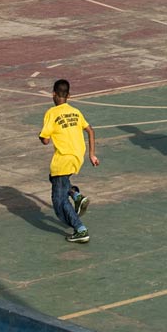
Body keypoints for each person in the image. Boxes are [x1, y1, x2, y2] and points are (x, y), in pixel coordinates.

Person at [38, 79, 98, 244]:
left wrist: (41, 135)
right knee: (56, 179)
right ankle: (76, 194)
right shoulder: (76, 112)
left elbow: (45, 140)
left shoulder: (52, 112)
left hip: (62, 159)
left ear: (53, 94)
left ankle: (80, 229)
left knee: (59, 202)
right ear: (69, 95)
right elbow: (90, 130)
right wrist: (92, 155)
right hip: (77, 156)